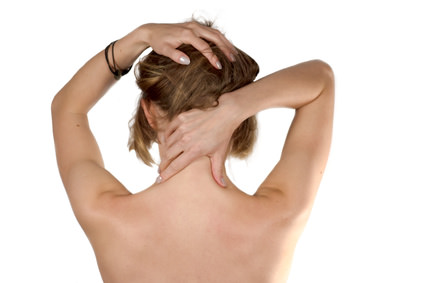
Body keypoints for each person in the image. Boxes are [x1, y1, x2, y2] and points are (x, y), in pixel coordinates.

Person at [52, 20, 334, 283]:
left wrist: (142, 36)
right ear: (239, 124)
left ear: (148, 113)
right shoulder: (279, 216)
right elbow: (321, 81)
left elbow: (67, 108)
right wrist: (237, 106)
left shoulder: (104, 213)